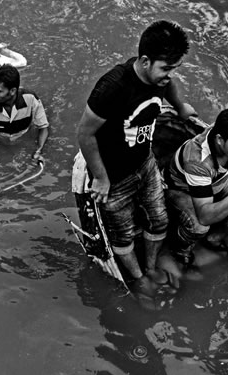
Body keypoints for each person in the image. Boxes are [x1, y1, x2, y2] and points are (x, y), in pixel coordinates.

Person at [76, 20, 199, 297]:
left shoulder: (160, 79)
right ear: (145, 61)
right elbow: (85, 135)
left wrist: (180, 108)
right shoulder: (113, 87)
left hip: (145, 163)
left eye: (174, 68)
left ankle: (152, 266)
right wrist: (101, 178)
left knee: (159, 220)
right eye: (166, 68)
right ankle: (138, 277)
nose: (170, 75)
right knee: (124, 233)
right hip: (114, 176)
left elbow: (169, 87)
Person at [163, 97, 228, 271]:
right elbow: (205, 216)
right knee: (198, 227)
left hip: (215, 184)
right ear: (220, 140)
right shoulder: (198, 162)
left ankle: (215, 238)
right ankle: (180, 251)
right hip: (181, 190)